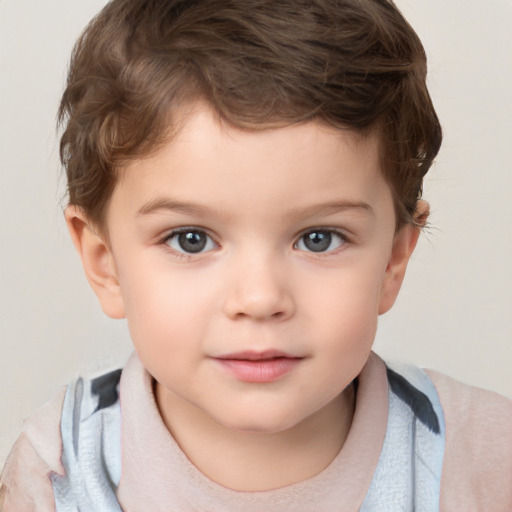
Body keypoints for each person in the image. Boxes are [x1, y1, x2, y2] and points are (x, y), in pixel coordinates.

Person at [1, 0, 511, 510]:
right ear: (104, 261)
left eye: (319, 238)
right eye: (191, 239)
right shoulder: (57, 471)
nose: (260, 298)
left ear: (393, 260)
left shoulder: (483, 459)